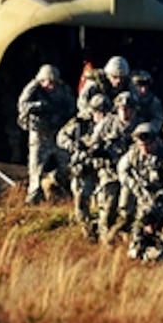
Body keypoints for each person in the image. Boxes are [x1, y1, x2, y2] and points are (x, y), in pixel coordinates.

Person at [118, 123, 163, 260]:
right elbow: (122, 171)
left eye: (148, 144)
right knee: (135, 250)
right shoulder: (132, 155)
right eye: (141, 145)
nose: (145, 148)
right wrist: (135, 186)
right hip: (144, 203)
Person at [17, 64, 76, 204]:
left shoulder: (63, 90)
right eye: (46, 82)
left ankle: (53, 184)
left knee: (67, 166)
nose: (50, 85)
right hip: (40, 134)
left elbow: (71, 106)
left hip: (58, 133)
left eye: (52, 82)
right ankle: (33, 197)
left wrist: (60, 116)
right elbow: (22, 105)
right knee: (36, 167)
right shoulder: (34, 90)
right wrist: (39, 106)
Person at [84, 90, 139, 240]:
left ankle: (124, 237)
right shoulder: (107, 123)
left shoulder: (141, 127)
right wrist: (99, 152)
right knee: (107, 208)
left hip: (131, 175)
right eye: (122, 108)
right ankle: (105, 239)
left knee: (128, 210)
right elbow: (93, 144)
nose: (125, 112)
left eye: (128, 109)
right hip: (109, 173)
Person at [59, 93, 111, 236]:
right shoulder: (79, 123)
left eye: (105, 112)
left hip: (103, 167)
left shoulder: (112, 124)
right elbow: (61, 137)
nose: (102, 116)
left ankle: (103, 230)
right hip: (83, 167)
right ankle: (86, 230)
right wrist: (74, 146)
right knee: (81, 199)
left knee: (105, 201)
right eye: (99, 112)